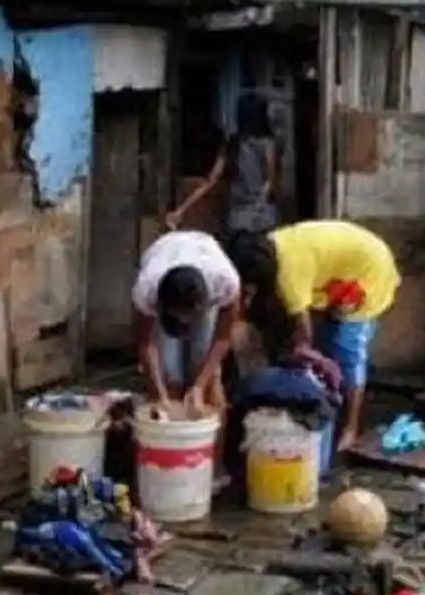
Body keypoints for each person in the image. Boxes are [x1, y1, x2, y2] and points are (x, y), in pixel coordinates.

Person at [227, 220, 400, 452]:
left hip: (367, 270)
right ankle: (330, 411)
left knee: (347, 349)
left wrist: (302, 355)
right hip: (337, 272)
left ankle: (351, 427)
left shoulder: (287, 274)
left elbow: (304, 332)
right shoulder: (269, 249)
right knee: (327, 344)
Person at [132, 230, 241, 411]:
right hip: (165, 250)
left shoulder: (225, 281)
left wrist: (200, 384)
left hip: (204, 251)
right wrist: (160, 394)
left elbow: (223, 337)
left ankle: (219, 435)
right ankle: (167, 427)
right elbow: (145, 342)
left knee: (207, 372)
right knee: (169, 374)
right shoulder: (147, 288)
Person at [166, 95, 278, 242]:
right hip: (260, 219)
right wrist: (259, 206)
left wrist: (181, 210)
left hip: (238, 219)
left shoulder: (233, 144)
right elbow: (270, 181)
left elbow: (210, 182)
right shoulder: (267, 144)